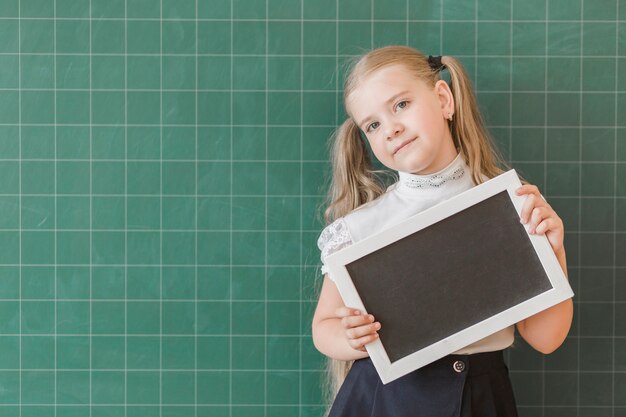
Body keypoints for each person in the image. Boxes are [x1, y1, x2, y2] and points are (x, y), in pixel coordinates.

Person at [311, 46, 573, 417]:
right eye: (373, 125)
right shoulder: (360, 228)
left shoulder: (510, 206)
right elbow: (324, 327)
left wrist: (555, 253)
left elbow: (546, 339)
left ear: (443, 98)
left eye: (401, 104)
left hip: (482, 398)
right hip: (385, 401)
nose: (392, 128)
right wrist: (349, 337)